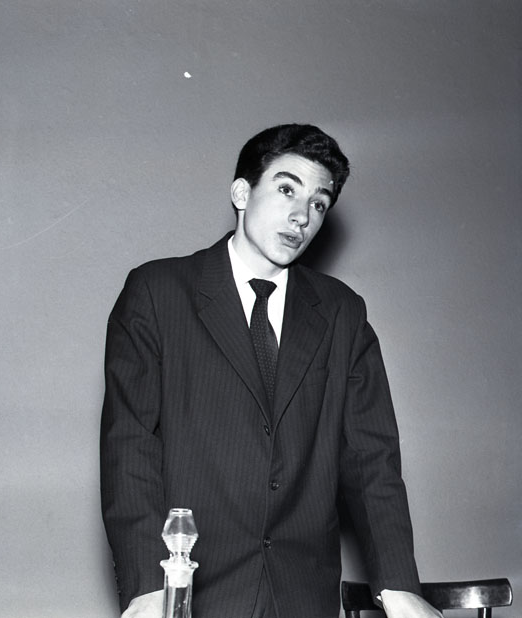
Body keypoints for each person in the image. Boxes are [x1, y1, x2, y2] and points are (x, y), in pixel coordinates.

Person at [100, 124, 442, 618]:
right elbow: (129, 446)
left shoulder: (342, 312)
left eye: (319, 203)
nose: (302, 215)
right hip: (191, 590)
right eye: (286, 190)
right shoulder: (158, 292)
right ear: (242, 193)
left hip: (303, 593)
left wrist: (397, 585)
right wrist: (148, 587)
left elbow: (372, 459)